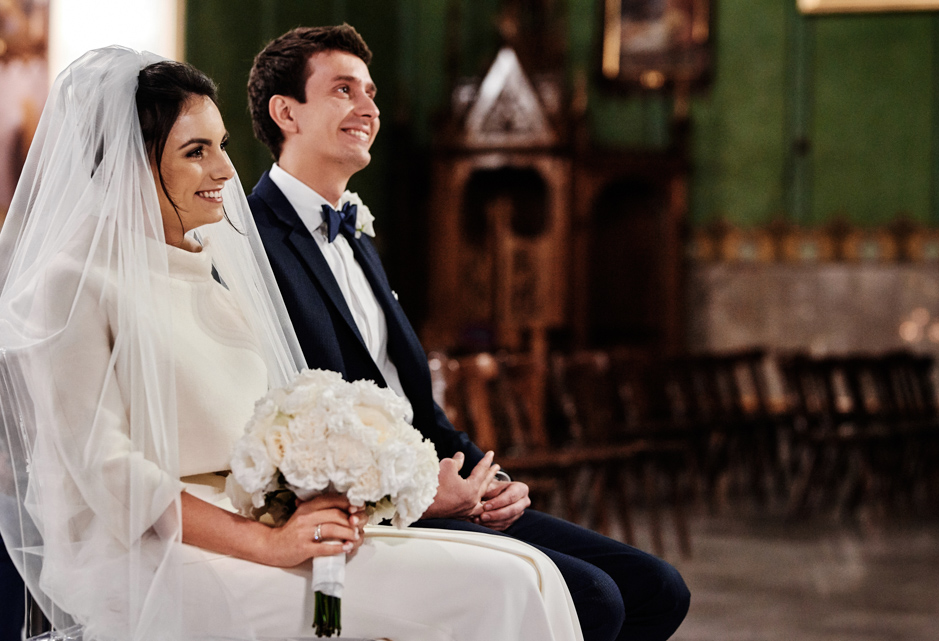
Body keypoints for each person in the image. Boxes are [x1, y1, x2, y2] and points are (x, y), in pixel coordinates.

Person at [0, 46, 584, 641]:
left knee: (532, 573)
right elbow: (105, 471)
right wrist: (265, 542)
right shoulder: (72, 283)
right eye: (196, 152)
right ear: (130, 166)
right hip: (162, 553)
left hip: (259, 521)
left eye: (222, 145)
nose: (225, 171)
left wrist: (330, 498)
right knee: (498, 588)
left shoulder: (210, 272)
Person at [247, 24, 690, 641]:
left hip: (439, 483)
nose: (368, 107)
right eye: (343, 90)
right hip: (367, 509)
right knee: (594, 599)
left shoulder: (358, 234)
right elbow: (276, 422)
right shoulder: (252, 243)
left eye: (370, 91)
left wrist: (491, 480)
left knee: (658, 589)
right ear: (286, 112)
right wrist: (415, 493)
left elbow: (413, 403)